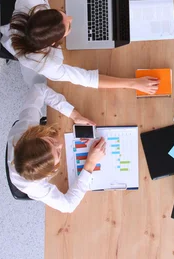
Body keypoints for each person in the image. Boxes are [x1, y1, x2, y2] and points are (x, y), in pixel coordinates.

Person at [0, 0, 159, 94]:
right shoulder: (47, 65)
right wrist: (133, 84)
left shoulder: (27, 5)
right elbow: (87, 78)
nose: (71, 18)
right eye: (68, 26)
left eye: (62, 14)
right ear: (55, 43)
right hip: (20, 47)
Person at [7, 83, 105, 212]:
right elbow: (69, 206)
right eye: (58, 153)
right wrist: (90, 164)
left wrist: (74, 115)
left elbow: (39, 89)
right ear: (50, 171)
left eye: (50, 141)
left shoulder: (25, 127)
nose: (61, 144)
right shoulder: (35, 187)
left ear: (33, 137)